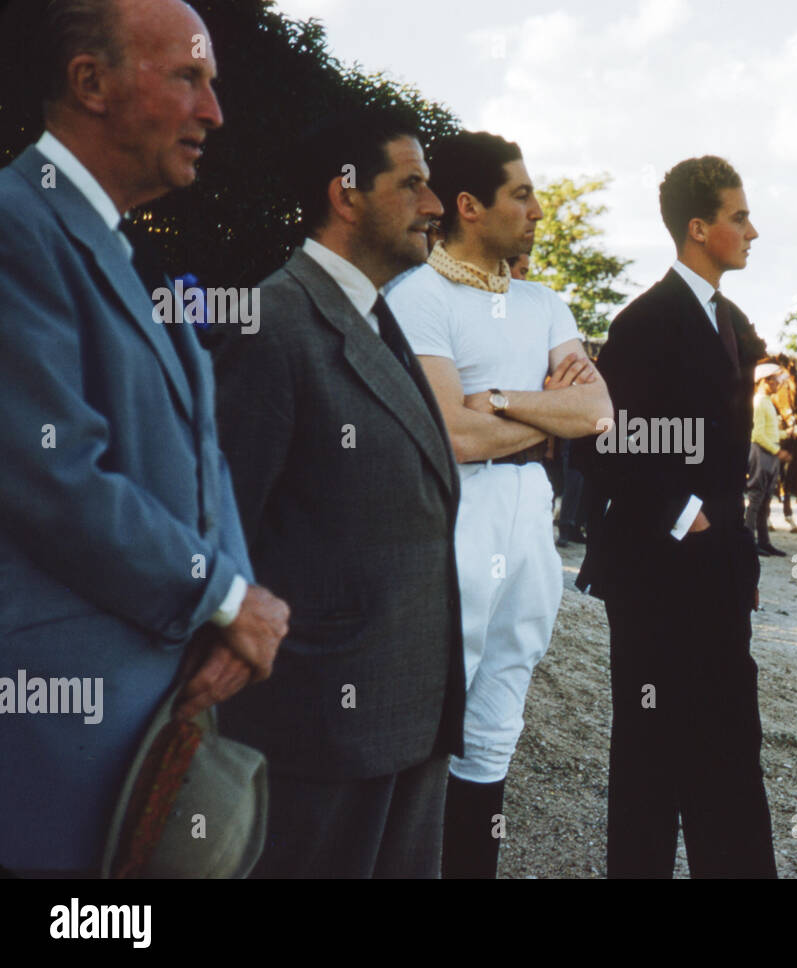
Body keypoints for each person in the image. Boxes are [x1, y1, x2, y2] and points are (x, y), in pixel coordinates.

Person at [0, 0, 288, 873]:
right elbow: (52, 476)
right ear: (91, 82)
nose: (215, 113)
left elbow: (205, 457)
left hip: (148, 728)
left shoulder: (119, 245)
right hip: (54, 756)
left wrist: (229, 608)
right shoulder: (16, 225)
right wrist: (226, 602)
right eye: (188, 79)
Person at [213, 110, 463, 876]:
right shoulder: (275, 323)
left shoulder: (378, 317)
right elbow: (224, 532)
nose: (436, 205)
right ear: (346, 195)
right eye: (413, 183)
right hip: (321, 734)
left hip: (409, 723)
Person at [387, 131, 612, 878]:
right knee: (426, 724)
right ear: (469, 207)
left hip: (528, 528)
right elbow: (448, 432)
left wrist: (500, 401)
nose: (539, 209)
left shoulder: (545, 301)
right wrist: (540, 417)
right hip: (451, 525)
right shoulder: (416, 296)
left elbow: (596, 413)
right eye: (521, 194)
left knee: (495, 730)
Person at [577, 155, 777, 878]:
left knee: (730, 742)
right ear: (699, 229)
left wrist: (737, 554)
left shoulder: (732, 320)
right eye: (739, 217)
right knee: (651, 756)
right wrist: (681, 511)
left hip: (718, 568)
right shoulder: (645, 321)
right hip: (655, 575)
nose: (753, 231)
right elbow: (606, 436)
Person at [747, 362, 793, 556]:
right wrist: (776, 450)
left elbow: (768, 431)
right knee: (756, 497)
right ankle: (749, 541)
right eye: (775, 381)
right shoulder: (758, 402)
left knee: (766, 498)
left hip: (770, 453)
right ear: (764, 381)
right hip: (762, 452)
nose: (778, 385)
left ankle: (764, 541)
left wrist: (784, 434)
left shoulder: (767, 401)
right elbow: (757, 434)